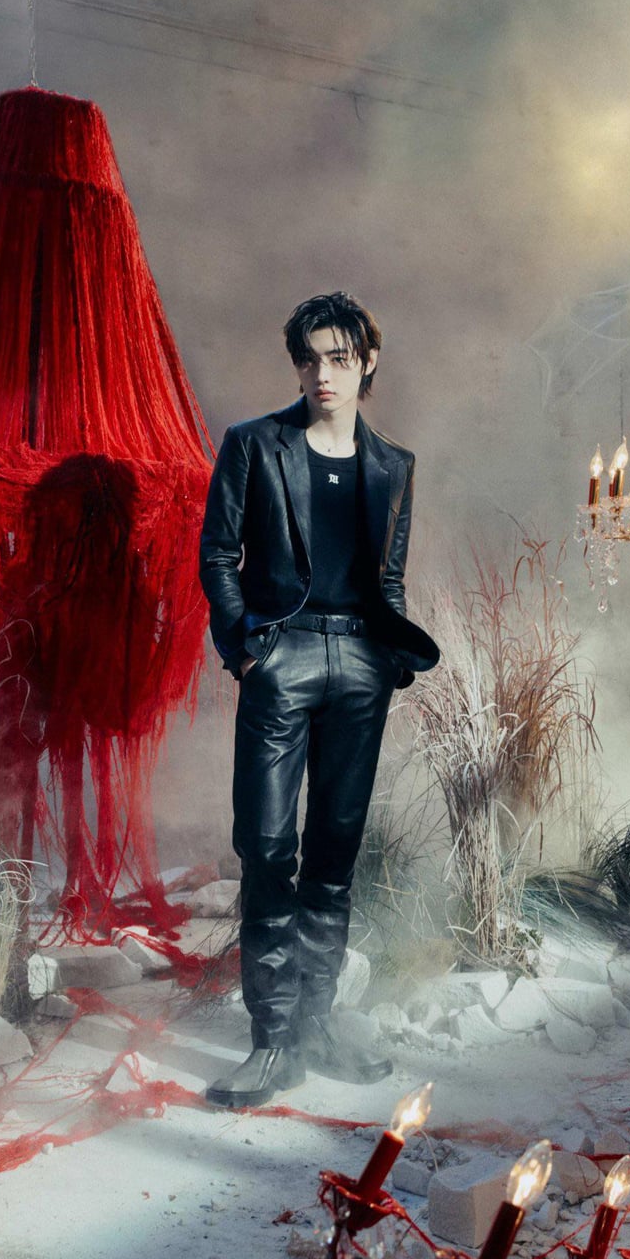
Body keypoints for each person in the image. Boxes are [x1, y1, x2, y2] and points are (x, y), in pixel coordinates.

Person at [199, 291, 439, 1107]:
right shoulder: (254, 444)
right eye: (309, 359)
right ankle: (272, 1040)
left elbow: (390, 577)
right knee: (268, 847)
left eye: (339, 358)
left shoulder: (394, 465)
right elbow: (218, 555)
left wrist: (388, 662)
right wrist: (247, 652)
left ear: (367, 362)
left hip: (362, 666)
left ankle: (314, 1025)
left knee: (334, 854)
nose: (322, 374)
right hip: (282, 657)